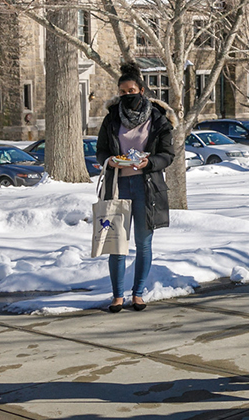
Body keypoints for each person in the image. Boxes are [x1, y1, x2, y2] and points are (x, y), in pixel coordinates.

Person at [95, 62, 176, 312]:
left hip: (146, 187)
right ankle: (117, 296)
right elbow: (101, 151)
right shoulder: (111, 119)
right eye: (122, 92)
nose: (127, 95)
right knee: (116, 243)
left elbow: (167, 155)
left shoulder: (158, 119)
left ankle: (138, 294)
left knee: (144, 243)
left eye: (131, 90)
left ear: (142, 90)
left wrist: (148, 162)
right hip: (118, 186)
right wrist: (110, 161)